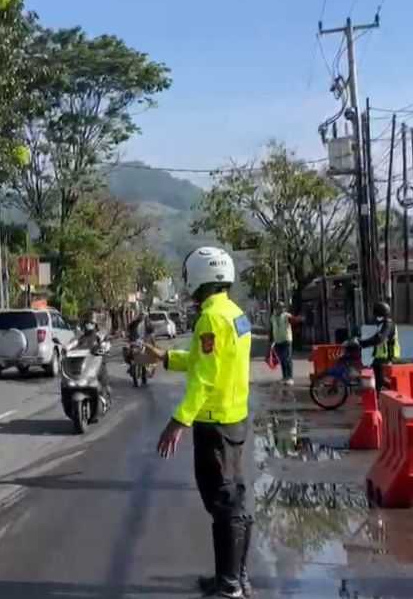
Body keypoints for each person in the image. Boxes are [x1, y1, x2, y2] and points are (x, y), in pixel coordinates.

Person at [138, 246, 254, 598]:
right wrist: (166, 356)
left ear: (201, 277)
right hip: (234, 418)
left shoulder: (210, 318)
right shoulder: (234, 314)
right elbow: (209, 364)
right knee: (234, 500)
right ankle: (234, 578)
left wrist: (178, 422)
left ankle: (230, 587)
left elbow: (204, 379)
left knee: (224, 504)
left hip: (215, 424)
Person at [358, 300, 399, 390]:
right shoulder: (383, 324)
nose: (374, 316)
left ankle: (395, 392)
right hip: (379, 357)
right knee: (378, 380)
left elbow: (380, 339)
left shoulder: (388, 325)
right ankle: (378, 396)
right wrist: (361, 341)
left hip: (386, 357)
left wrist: (363, 343)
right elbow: (374, 336)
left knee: (380, 380)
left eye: (376, 314)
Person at [270, 303, 302, 386]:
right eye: (279, 308)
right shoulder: (273, 317)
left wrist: (297, 319)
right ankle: (284, 377)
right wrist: (271, 341)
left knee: (287, 359)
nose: (281, 309)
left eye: (282, 308)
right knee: (282, 360)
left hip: (286, 340)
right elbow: (272, 329)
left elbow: (293, 320)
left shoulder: (286, 315)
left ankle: (290, 378)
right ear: (275, 308)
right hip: (277, 341)